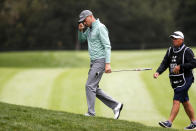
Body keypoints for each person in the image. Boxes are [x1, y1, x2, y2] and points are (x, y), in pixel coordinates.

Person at [78, 10, 123, 119]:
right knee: (94, 88)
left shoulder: (100, 27)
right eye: (82, 21)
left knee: (89, 85)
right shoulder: (89, 29)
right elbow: (81, 40)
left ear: (90, 17)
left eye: (85, 20)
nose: (84, 22)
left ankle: (91, 113)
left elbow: (107, 46)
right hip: (93, 62)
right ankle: (116, 105)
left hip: (100, 61)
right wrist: (80, 30)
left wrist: (107, 64)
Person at [153, 31, 196, 130]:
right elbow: (164, 63)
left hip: (186, 79)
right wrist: (158, 72)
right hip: (175, 80)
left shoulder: (187, 50)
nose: (174, 40)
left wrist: (181, 67)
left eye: (176, 38)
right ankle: (194, 122)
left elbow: (194, 63)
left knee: (176, 99)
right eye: (173, 38)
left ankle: (169, 122)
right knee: (185, 101)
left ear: (181, 40)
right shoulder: (170, 50)